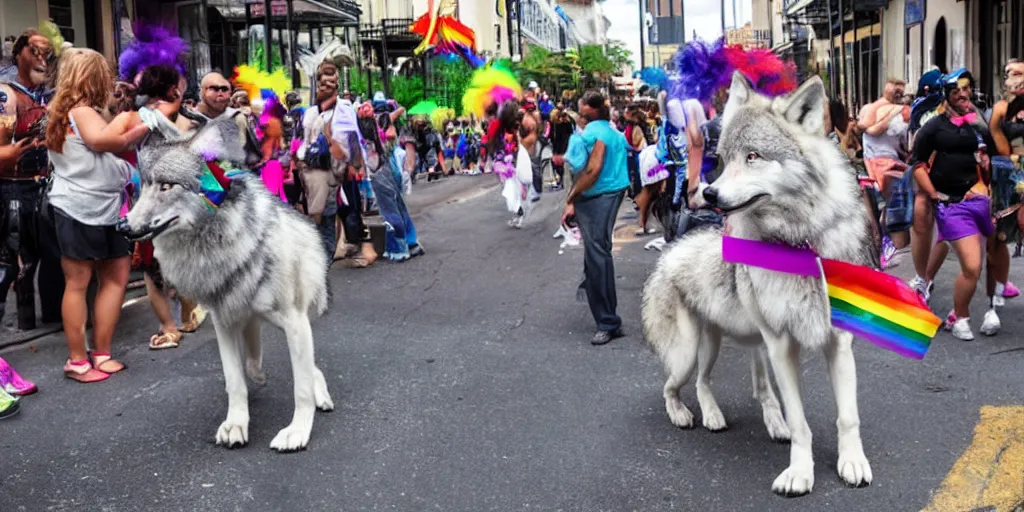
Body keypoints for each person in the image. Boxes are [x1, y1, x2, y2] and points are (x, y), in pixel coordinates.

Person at [45, 48, 153, 382]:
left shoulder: (63, 112)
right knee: (93, 281)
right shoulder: (81, 111)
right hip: (85, 207)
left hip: (90, 207)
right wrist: (144, 123)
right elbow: (105, 142)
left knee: (101, 280)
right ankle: (82, 359)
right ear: (95, 77)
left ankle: (92, 356)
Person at [909, 69, 996, 341]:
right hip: (947, 198)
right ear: (945, 94)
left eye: (966, 89)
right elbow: (917, 162)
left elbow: (991, 151)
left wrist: (986, 166)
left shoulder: (975, 122)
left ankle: (982, 304)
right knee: (924, 219)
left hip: (975, 197)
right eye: (956, 90)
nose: (962, 94)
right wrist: (933, 193)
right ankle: (928, 284)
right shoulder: (931, 124)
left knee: (968, 248)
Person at [0, 28, 63, 330]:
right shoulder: (6, 94)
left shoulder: (47, 94)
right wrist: (8, 154)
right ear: (18, 55)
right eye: (34, 51)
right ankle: (21, 322)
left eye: (46, 52)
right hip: (12, 189)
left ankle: (53, 315)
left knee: (54, 254)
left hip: (44, 186)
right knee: (15, 260)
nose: (42, 57)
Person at [561, 90, 629, 345]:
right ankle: (608, 317)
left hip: (597, 197)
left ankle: (608, 321)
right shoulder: (612, 132)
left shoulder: (593, 134)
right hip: (610, 193)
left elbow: (592, 169)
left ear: (587, 112)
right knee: (599, 254)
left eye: (580, 109)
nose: (578, 113)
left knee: (597, 255)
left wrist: (571, 199)